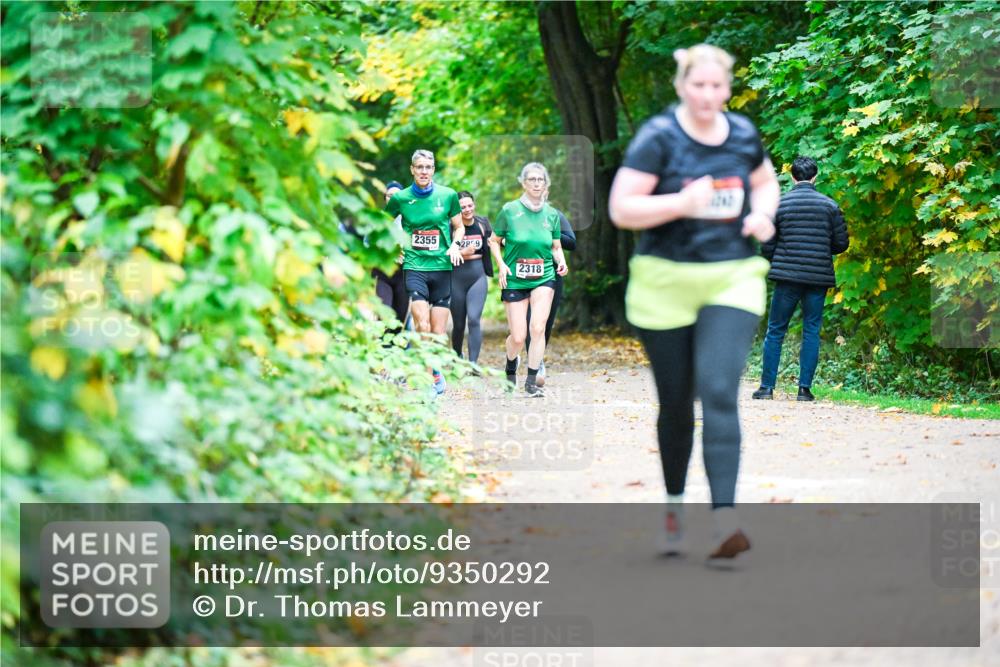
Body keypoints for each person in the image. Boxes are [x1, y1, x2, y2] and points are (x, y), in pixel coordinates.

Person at [608, 44, 779, 562]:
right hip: (665, 281)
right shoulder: (659, 138)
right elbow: (622, 208)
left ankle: (724, 519)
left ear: (727, 89)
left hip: (731, 277)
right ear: (682, 86)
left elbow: (765, 183)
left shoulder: (744, 135)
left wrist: (764, 217)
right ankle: (674, 509)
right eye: (698, 86)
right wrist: (681, 203)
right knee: (677, 404)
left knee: (719, 389)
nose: (708, 96)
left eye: (717, 87)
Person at [752, 156, 850, 402]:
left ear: (793, 176)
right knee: (811, 331)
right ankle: (804, 390)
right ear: (815, 176)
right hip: (818, 277)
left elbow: (767, 244)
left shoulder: (779, 205)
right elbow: (841, 243)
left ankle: (766, 388)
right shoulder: (830, 206)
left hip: (787, 277)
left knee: (775, 330)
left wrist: (781, 258)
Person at [385, 150, 465, 395]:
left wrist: (454, 245)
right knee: (421, 324)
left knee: (438, 331)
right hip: (415, 266)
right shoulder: (401, 198)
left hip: (441, 267)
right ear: (412, 169)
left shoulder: (448, 195)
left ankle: (436, 370)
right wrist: (394, 247)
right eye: (419, 167)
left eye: (428, 167)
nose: (423, 171)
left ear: (433, 169)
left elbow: (459, 227)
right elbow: (383, 225)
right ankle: (430, 380)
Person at [489, 162, 569, 397]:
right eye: (532, 179)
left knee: (538, 328)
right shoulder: (509, 211)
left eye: (540, 180)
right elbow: (494, 240)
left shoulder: (552, 214)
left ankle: (531, 381)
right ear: (523, 183)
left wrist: (561, 260)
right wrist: (501, 265)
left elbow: (556, 246)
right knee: (518, 336)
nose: (536, 183)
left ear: (546, 184)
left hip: (544, 276)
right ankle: (511, 366)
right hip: (515, 278)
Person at [525, 190, 576, 387]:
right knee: (530, 322)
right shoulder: (519, 216)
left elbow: (571, 242)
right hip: (524, 277)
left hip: (551, 277)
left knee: (544, 323)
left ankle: (538, 358)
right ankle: (534, 366)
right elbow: (505, 241)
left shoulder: (555, 216)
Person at [449, 191, 492, 364]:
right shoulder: (450, 226)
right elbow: (442, 253)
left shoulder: (483, 223)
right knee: (458, 324)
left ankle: (473, 363)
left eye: (469, 205)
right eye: (462, 207)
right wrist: (461, 252)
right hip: (456, 278)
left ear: (474, 205)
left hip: (478, 276)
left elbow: (495, 242)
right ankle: (457, 354)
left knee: (474, 319)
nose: (467, 210)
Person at [374, 180, 409, 328]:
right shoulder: (377, 219)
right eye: (390, 195)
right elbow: (368, 244)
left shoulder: (410, 219)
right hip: (383, 272)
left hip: (404, 273)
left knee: (400, 318)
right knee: (384, 313)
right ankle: (383, 347)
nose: (393, 198)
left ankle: (396, 349)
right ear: (385, 198)